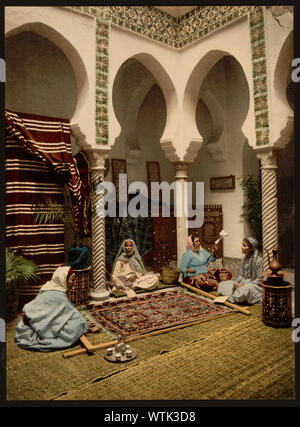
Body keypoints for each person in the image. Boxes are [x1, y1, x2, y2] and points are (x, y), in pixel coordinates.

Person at [15, 266, 88, 352]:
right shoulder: (59, 295)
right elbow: (70, 312)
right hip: (37, 324)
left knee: (73, 319)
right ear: (63, 279)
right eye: (72, 280)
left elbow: (61, 311)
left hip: (35, 319)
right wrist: (83, 325)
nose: (74, 283)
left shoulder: (48, 286)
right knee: (75, 326)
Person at [217, 237, 263, 304]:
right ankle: (235, 296)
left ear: (251, 248)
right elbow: (241, 275)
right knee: (223, 284)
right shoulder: (243, 259)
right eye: (242, 245)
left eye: (244, 245)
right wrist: (236, 283)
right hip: (242, 283)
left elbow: (258, 280)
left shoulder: (259, 261)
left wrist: (243, 285)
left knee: (245, 289)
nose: (242, 247)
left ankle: (233, 297)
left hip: (253, 285)